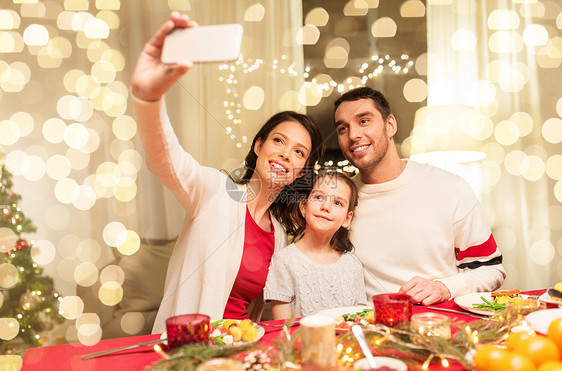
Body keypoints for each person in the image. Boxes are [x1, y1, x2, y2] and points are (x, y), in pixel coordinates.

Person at [130, 12, 324, 333]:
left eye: (299, 152)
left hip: (243, 348)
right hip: (191, 350)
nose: (285, 154)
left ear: (301, 171)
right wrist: (148, 97)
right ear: (259, 145)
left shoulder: (279, 235)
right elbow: (164, 158)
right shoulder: (213, 191)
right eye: (278, 140)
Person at [333, 87, 505, 306]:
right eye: (342, 128)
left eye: (364, 121)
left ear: (390, 125)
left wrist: (445, 287)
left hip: (439, 325)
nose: (353, 135)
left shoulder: (450, 188)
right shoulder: (340, 201)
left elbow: (492, 268)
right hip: (369, 330)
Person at [263, 170, 367, 319]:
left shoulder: (353, 265)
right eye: (318, 197)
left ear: (347, 219)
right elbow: (283, 328)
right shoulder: (284, 261)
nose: (325, 206)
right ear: (304, 206)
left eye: (337, 203)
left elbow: (359, 320)